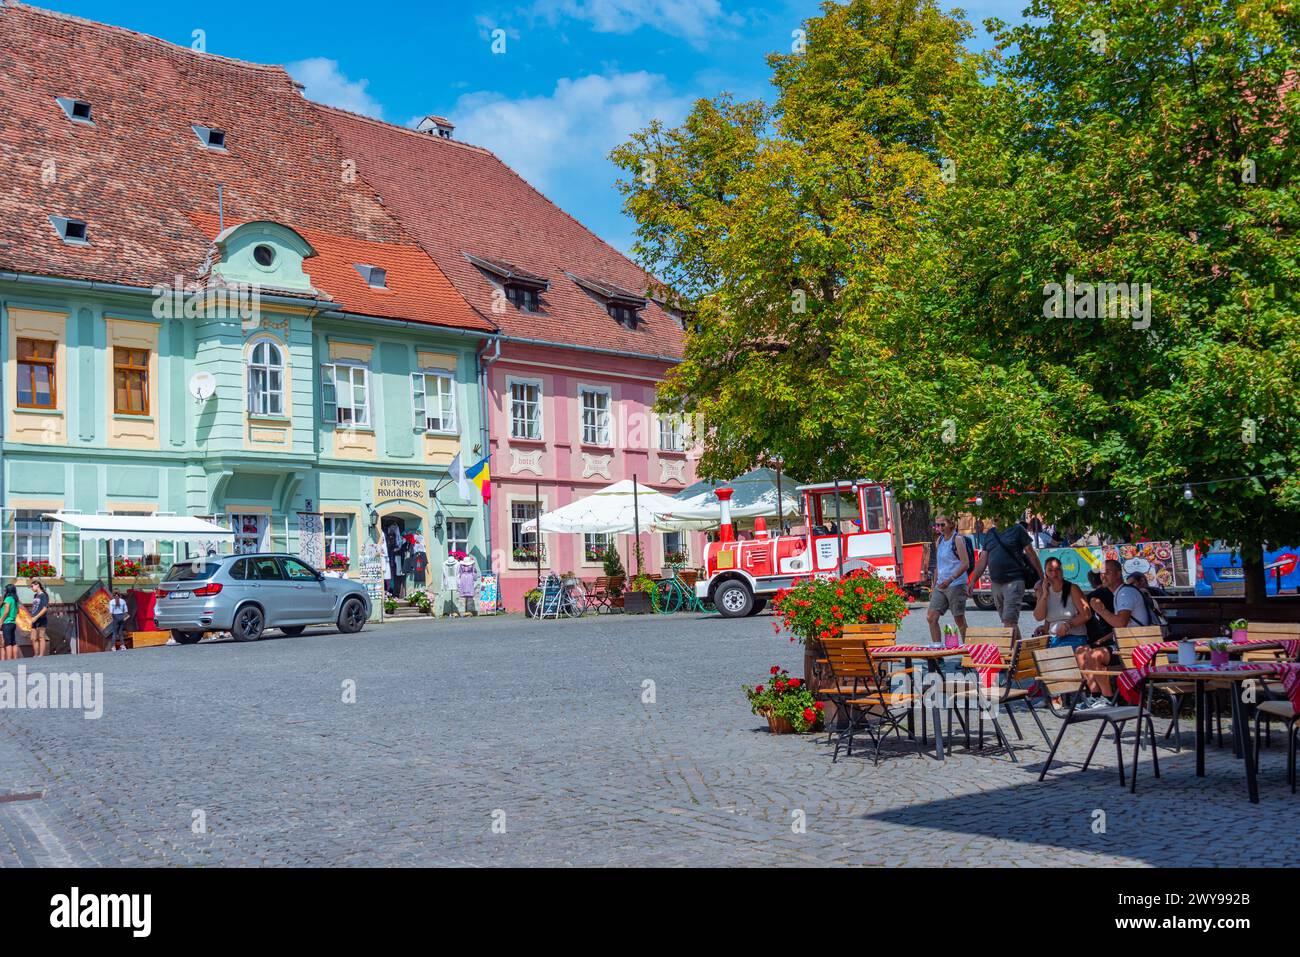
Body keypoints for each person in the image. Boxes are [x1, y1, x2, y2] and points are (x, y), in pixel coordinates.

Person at [1080, 559, 1153, 702]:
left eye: (1107, 572)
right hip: (1130, 644)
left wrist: (1100, 610)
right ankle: (1095, 697)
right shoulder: (1120, 593)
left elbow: (1120, 623)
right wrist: (1105, 639)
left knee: (1094, 656)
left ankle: (1107, 698)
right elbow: (1125, 626)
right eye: (1102, 573)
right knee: (1083, 652)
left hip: (1136, 648)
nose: (1103, 576)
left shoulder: (1125, 593)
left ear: (1119, 573)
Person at [970, 517, 1043, 641]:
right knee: (1008, 622)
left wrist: (1042, 577)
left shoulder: (1017, 529)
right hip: (996, 583)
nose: (995, 517)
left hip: (1014, 581)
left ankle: (1012, 656)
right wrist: (973, 581)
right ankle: (1019, 653)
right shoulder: (990, 533)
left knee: (1009, 621)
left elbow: (1031, 554)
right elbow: (982, 561)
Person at [927, 514, 970, 643]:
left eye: (942, 525)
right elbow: (937, 566)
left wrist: (950, 579)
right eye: (937, 525)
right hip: (941, 585)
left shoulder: (957, 539)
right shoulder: (939, 540)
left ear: (950, 524)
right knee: (931, 617)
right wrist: (933, 587)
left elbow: (965, 563)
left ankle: (969, 652)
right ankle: (937, 653)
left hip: (956, 584)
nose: (939, 527)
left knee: (959, 619)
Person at [28, 579, 49, 657]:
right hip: (34, 618)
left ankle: (41, 654)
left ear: (37, 585)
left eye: (32, 586)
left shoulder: (43, 595)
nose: (31, 588)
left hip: (41, 618)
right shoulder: (35, 595)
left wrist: (36, 617)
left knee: (41, 636)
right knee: (33, 638)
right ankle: (36, 654)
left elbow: (45, 608)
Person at [1, 584, 19, 661]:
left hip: (7, 622)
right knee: (13, 642)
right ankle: (14, 659)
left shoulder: (8, 599)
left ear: (8, 590)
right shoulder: (15, 600)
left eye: (5, 589)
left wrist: (1, 621)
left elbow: (6, 611)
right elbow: (17, 611)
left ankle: (9, 660)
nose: (4, 591)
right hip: (13, 622)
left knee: (8, 642)